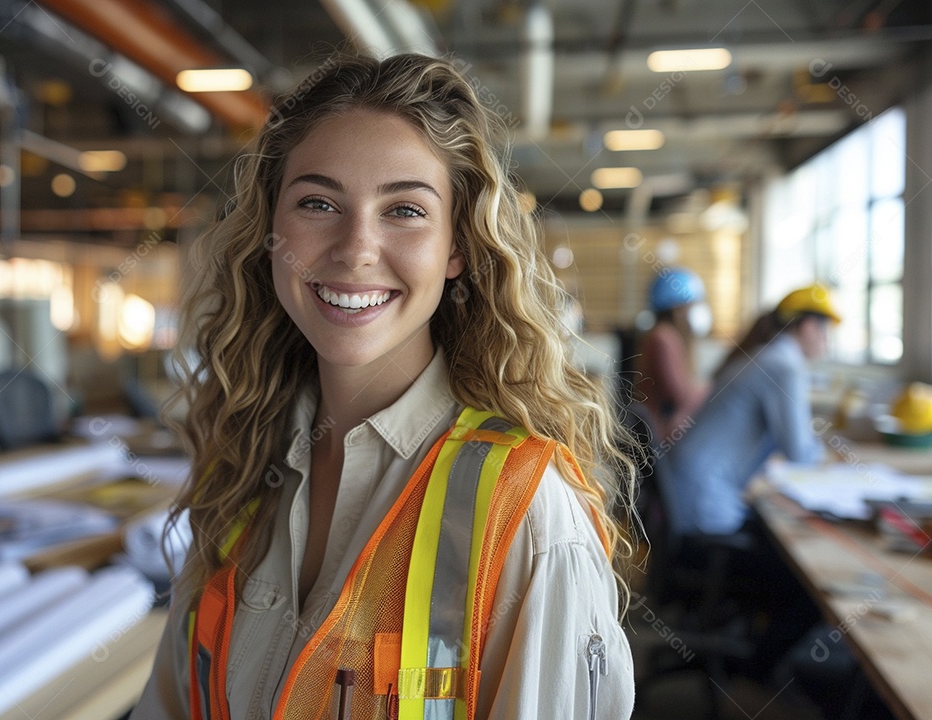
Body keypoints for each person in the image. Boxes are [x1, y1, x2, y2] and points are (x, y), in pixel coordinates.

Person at [131, 53, 636, 720]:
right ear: (271, 231)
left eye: (403, 210)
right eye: (318, 202)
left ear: (456, 247)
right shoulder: (240, 472)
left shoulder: (527, 514)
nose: (356, 248)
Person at [664, 283, 840, 535]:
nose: (826, 342)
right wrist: (827, 455)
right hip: (705, 507)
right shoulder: (785, 365)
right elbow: (798, 452)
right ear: (809, 325)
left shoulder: (762, 356)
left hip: (685, 494)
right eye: (826, 331)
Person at [634, 268, 709, 441]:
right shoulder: (664, 338)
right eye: (692, 305)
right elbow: (681, 395)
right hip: (662, 439)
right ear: (677, 309)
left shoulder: (664, 336)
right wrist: (715, 389)